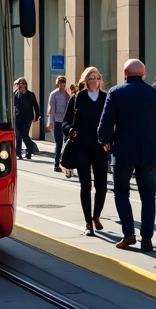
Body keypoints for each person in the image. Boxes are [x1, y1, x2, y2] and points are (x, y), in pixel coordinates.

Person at [98, 59, 156, 252]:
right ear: (144, 75)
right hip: (150, 152)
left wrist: (105, 141)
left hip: (123, 151)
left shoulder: (116, 93)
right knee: (148, 196)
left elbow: (105, 124)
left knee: (121, 191)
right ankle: (147, 239)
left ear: (124, 74)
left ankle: (129, 234)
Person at [63, 67, 109, 234]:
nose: (94, 80)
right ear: (85, 80)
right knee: (85, 185)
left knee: (102, 186)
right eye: (90, 77)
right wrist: (70, 131)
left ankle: (96, 216)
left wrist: (109, 140)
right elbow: (65, 122)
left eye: (96, 77)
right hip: (81, 146)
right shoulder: (77, 98)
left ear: (100, 79)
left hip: (99, 147)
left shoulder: (105, 98)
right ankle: (88, 222)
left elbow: (112, 121)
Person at [46, 76, 70, 172]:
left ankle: (64, 162)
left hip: (65, 121)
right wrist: (50, 122)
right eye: (60, 83)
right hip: (56, 121)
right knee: (59, 143)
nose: (62, 84)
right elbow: (50, 109)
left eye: (63, 82)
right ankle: (56, 163)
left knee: (66, 143)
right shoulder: (54, 94)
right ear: (57, 84)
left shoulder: (67, 95)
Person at [12, 78, 41, 160]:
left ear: (25, 85)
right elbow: (11, 105)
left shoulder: (31, 95)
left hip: (27, 118)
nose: (21, 85)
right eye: (19, 84)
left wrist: (37, 115)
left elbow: (35, 105)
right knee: (18, 136)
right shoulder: (15, 94)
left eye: (23, 83)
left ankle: (31, 149)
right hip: (17, 118)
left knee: (24, 135)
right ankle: (18, 153)